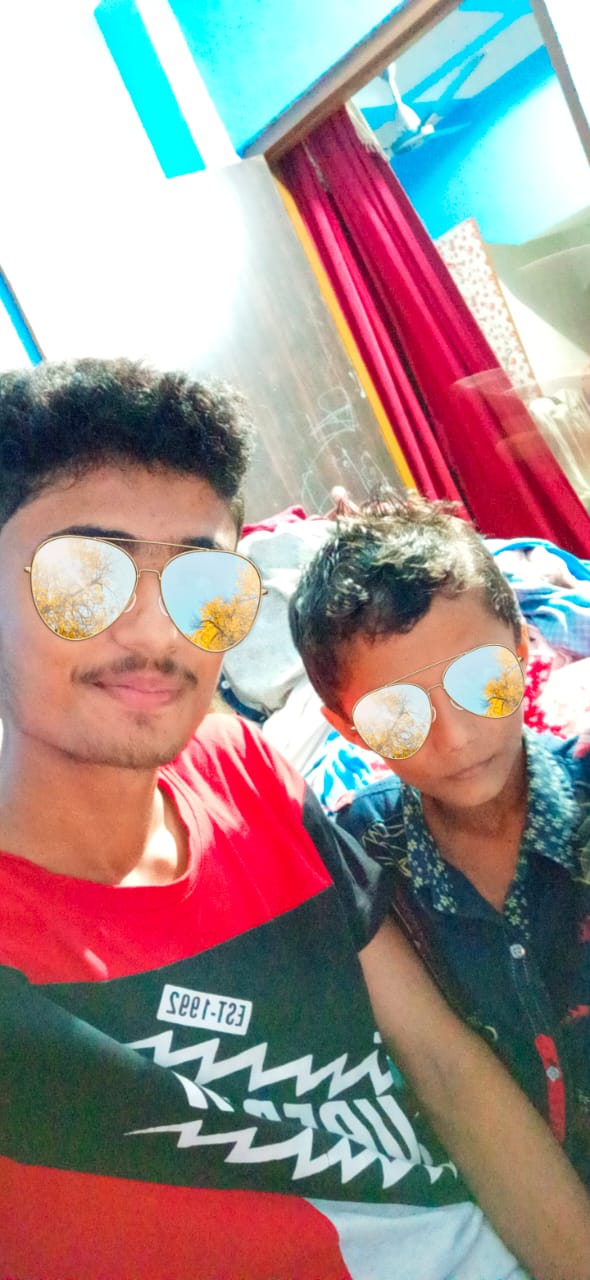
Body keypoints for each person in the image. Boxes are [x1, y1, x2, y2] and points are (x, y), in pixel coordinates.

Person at [0, 362, 588, 1280]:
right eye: (85, 577)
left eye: (204, 586)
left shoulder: (245, 766)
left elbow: (443, 1067)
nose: (157, 634)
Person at [289, 490, 590, 1197]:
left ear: (521, 648)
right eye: (397, 715)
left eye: (481, 680)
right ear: (348, 728)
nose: (454, 738)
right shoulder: (361, 862)